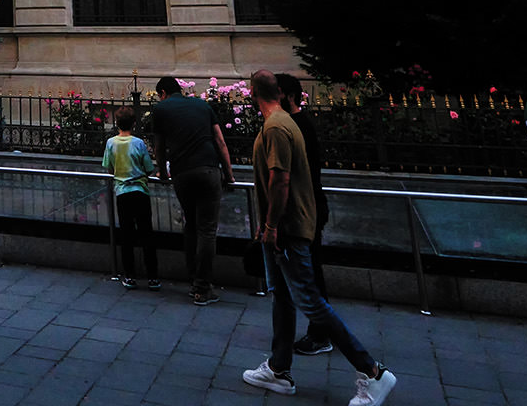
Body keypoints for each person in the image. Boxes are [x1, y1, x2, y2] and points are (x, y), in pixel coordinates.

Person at [242, 71, 398, 405]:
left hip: (288, 229)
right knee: (283, 297)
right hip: (285, 226)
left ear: (253, 93)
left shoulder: (276, 127)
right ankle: (278, 369)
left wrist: (271, 225)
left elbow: (280, 180)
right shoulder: (284, 122)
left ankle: (373, 372)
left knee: (310, 301)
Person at [147, 74, 235, 305]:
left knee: (191, 224)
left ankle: (194, 279)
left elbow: (159, 146)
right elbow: (220, 141)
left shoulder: (161, 109)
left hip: (182, 172)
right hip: (208, 168)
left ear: (163, 93)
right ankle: (203, 288)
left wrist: (163, 173)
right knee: (207, 229)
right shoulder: (201, 104)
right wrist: (229, 174)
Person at [278, 72, 335, 354]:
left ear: (287, 96)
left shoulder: (294, 126)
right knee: (303, 276)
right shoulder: (298, 124)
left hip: (305, 209)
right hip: (307, 206)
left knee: (310, 276)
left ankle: (322, 333)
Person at [102, 107, 159, 290]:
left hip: (122, 192)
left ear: (117, 124)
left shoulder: (111, 143)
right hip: (140, 191)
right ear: (134, 124)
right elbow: (148, 167)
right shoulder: (139, 143)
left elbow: (109, 167)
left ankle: (130, 276)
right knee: (146, 234)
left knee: (126, 234)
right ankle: (153, 277)